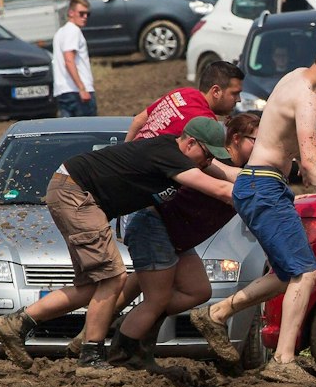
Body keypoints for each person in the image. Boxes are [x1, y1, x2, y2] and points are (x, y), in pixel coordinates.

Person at [0, 115, 236, 371]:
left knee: (91, 285)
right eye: (207, 155)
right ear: (191, 143)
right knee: (113, 278)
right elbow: (219, 189)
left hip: (70, 190)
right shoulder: (170, 154)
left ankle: (15, 324)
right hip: (76, 192)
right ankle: (90, 358)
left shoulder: (176, 154)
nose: (208, 162)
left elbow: (226, 174)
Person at [190, 30, 316, 384]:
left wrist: (295, 157)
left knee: (287, 274)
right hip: (264, 187)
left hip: (258, 184)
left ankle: (217, 313)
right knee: (306, 272)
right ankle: (284, 360)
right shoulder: (309, 99)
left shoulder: (293, 77)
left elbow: (283, 137)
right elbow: (314, 161)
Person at [107, 115, 254, 367]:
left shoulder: (219, 163)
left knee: (198, 291)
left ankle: (133, 325)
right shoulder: (208, 164)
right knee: (157, 299)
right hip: (156, 224)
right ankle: (126, 354)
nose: (209, 161)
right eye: (256, 140)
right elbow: (227, 188)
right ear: (237, 140)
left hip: (176, 237)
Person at [128, 61, 244, 141]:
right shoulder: (205, 121)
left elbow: (138, 120)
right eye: (235, 93)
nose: (238, 99)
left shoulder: (181, 92)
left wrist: (126, 152)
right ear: (216, 92)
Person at [51, 0, 95, 116]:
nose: (85, 17)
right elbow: (69, 60)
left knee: (68, 132)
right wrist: (82, 88)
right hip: (76, 92)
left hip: (62, 92)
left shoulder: (60, 32)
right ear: (71, 12)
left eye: (87, 14)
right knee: (88, 132)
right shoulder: (73, 31)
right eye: (81, 13)